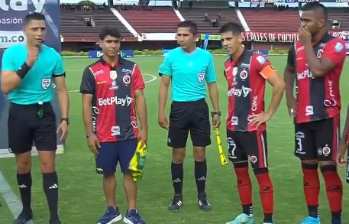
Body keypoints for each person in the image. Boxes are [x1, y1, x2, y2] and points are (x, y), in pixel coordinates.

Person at [0, 13, 69, 224]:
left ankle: (54, 216)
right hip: (19, 114)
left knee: (48, 165)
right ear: (25, 31)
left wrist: (65, 118)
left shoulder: (54, 56)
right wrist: (27, 64)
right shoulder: (12, 54)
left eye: (42, 29)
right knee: (23, 165)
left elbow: (62, 90)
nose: (39, 33)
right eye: (35, 29)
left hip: (44, 115)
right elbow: (5, 87)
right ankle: (26, 210)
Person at [284, 2, 346, 224]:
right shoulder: (297, 46)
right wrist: (290, 98)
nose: (302, 24)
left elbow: (318, 70)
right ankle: (313, 218)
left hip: (326, 115)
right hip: (302, 117)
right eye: (301, 20)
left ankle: (336, 219)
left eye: (307, 21)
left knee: (327, 169)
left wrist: (306, 44)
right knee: (307, 168)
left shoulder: (336, 45)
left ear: (321, 22)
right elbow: (289, 71)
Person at [80, 27, 148, 224]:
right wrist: (89, 133)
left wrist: (144, 128)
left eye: (117, 42)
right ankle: (112, 210)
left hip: (130, 133)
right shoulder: (91, 71)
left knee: (130, 173)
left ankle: (132, 212)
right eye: (109, 41)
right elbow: (86, 104)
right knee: (107, 174)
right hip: (103, 135)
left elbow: (139, 98)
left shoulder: (132, 68)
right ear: (100, 43)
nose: (113, 45)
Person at [219, 22, 285, 224]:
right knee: (240, 173)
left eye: (229, 39)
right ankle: (246, 214)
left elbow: (279, 84)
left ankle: (267, 220)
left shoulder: (256, 60)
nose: (225, 43)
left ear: (241, 38)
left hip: (253, 129)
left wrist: (268, 113)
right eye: (222, 40)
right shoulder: (227, 65)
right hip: (233, 128)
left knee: (261, 174)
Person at [158, 20, 220, 212]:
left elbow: (212, 84)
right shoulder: (171, 57)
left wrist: (216, 111)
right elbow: (164, 85)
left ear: (196, 37)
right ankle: (177, 196)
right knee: (178, 155)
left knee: (200, 153)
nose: (181, 39)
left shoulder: (206, 57)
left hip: (200, 108)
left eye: (185, 35)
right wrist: (161, 110)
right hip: (179, 109)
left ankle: (202, 195)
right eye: (178, 35)